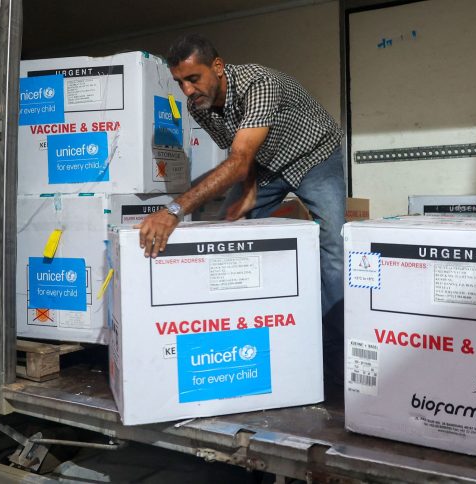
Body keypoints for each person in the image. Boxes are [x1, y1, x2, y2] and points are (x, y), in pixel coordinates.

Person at [137, 33, 346, 395]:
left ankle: (336, 357)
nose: (187, 91)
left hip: (314, 156)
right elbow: (242, 153)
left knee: (333, 251)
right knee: (230, 235)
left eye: (193, 78)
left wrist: (173, 210)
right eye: (180, 83)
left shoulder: (258, 83)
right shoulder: (198, 106)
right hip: (264, 166)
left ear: (217, 67)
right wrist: (249, 190)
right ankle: (256, 335)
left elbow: (238, 158)